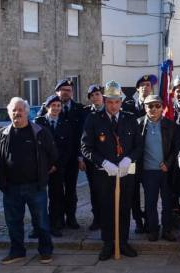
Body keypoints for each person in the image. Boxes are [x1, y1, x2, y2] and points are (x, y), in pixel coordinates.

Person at [81, 81, 143, 261]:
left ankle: (123, 242)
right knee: (106, 208)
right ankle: (108, 243)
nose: (113, 106)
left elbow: (139, 146)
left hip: (125, 172)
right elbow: (86, 147)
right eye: (110, 102)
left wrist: (129, 158)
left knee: (124, 207)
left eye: (117, 102)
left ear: (121, 101)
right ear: (104, 100)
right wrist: (103, 162)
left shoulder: (130, 118)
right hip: (104, 173)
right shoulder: (93, 119)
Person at [0, 97, 57, 265]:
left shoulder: (40, 132)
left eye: (20, 110)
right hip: (11, 188)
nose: (17, 113)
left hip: (35, 186)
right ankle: (17, 251)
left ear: (27, 113)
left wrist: (46, 170)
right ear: (9, 113)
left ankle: (45, 251)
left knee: (41, 221)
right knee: (13, 222)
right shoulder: (2, 134)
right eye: (13, 110)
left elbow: (53, 155)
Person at [40, 79, 87, 230]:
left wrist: (80, 157)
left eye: (69, 90)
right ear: (57, 92)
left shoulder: (79, 109)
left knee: (71, 190)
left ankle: (71, 218)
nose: (66, 92)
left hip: (72, 157)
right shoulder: (46, 108)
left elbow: (82, 135)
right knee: (56, 191)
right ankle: (57, 220)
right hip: (54, 161)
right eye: (63, 89)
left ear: (72, 93)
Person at [136, 95, 178, 242]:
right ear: (145, 107)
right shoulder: (139, 124)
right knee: (150, 203)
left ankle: (167, 230)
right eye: (150, 106)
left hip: (165, 171)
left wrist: (168, 162)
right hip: (148, 171)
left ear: (162, 107)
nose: (153, 109)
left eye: (157, 106)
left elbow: (176, 148)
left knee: (167, 202)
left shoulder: (170, 125)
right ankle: (153, 230)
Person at [34, 95, 74, 237]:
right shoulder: (38, 123)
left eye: (58, 106)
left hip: (57, 167)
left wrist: (56, 165)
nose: (56, 108)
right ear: (47, 107)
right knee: (37, 198)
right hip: (40, 167)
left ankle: (55, 224)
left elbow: (68, 148)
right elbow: (35, 147)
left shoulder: (65, 124)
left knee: (56, 196)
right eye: (53, 105)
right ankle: (38, 227)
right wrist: (44, 165)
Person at [123, 75, 157, 233]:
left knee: (150, 191)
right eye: (142, 85)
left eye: (148, 85)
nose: (145, 87)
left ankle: (151, 221)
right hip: (132, 157)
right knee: (132, 191)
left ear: (152, 88)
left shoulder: (157, 105)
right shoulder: (128, 106)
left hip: (150, 156)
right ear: (137, 89)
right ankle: (138, 221)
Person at [83, 84, 104, 231]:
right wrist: (80, 158)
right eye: (93, 95)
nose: (96, 97)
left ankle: (108, 218)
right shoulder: (85, 113)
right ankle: (97, 218)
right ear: (90, 98)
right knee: (94, 190)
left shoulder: (109, 109)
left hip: (108, 157)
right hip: (91, 158)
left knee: (107, 190)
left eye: (98, 94)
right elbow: (81, 136)